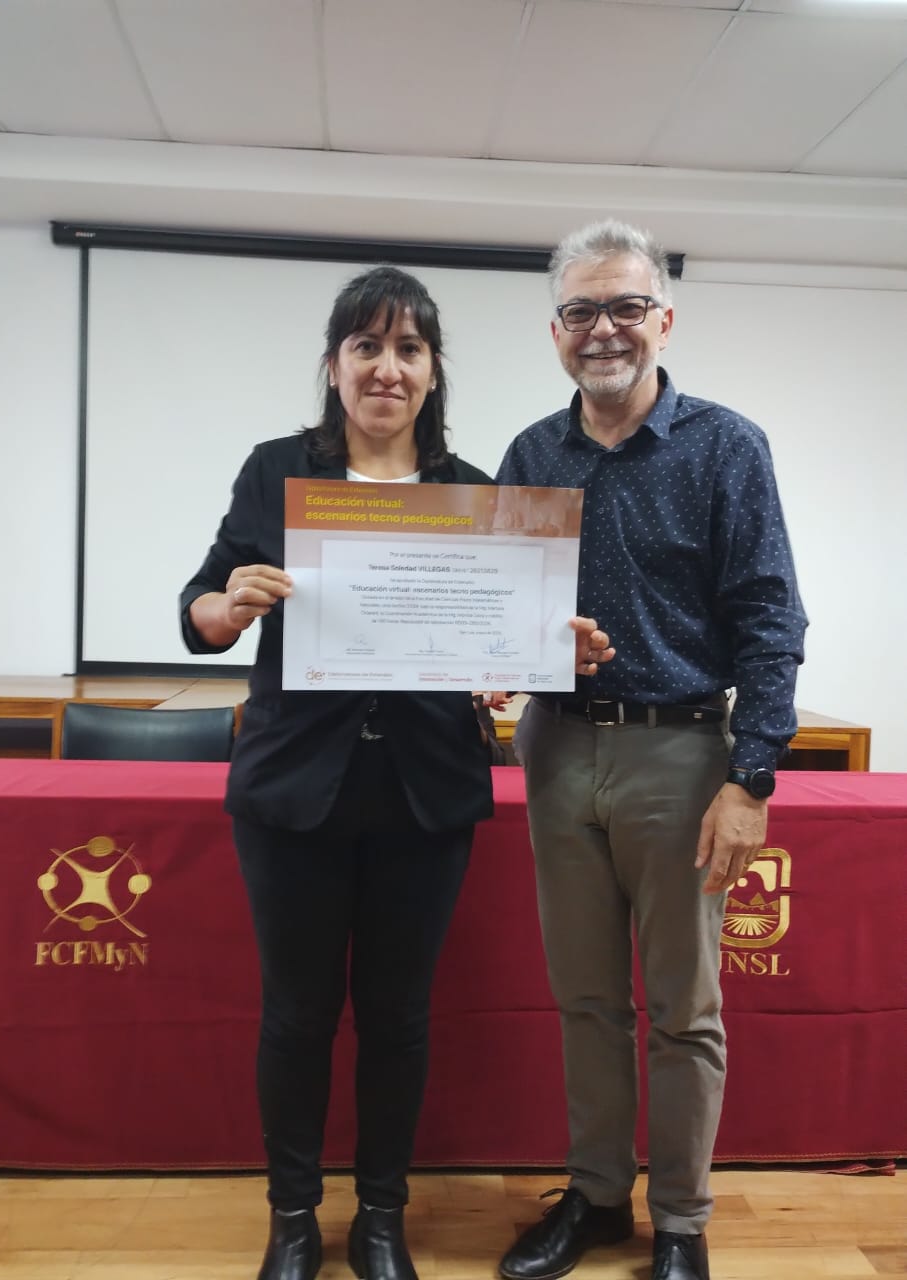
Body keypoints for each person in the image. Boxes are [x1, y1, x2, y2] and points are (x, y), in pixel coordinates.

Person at [179, 264, 611, 1280]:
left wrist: (552, 650)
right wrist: (228, 604)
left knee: (399, 1016)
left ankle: (381, 1215)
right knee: (296, 1014)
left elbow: (505, 644)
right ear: (334, 366)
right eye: (366, 346)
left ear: (431, 370)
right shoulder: (276, 470)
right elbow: (200, 607)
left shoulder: (474, 489)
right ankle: (293, 1216)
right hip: (294, 788)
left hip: (425, 789)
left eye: (408, 348)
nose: (387, 367)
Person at [495, 222, 807, 1280]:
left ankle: (679, 1219)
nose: (604, 329)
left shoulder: (726, 446)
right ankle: (595, 1199)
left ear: (663, 320)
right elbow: (505, 607)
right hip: (555, 748)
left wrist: (750, 777)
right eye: (581, 310)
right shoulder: (532, 455)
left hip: (680, 755)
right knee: (586, 999)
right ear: (555, 331)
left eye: (625, 306)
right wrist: (498, 653)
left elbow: (769, 617)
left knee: (682, 1006)